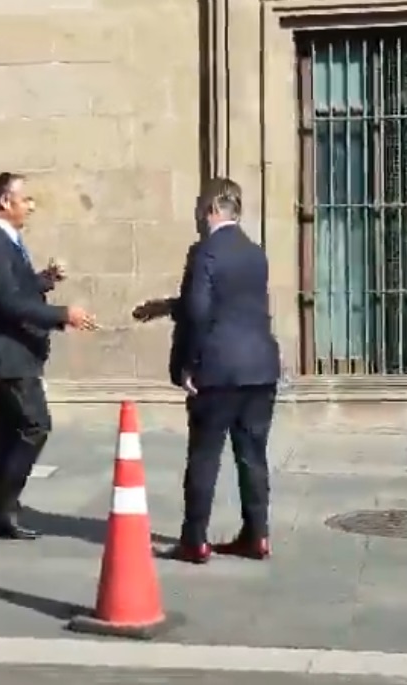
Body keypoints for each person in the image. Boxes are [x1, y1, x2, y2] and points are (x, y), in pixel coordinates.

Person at [133, 177, 281, 564]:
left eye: (200, 208)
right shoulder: (256, 253)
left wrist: (187, 365)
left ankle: (194, 539)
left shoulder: (204, 253)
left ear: (213, 209)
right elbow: (230, 304)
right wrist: (166, 306)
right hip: (260, 368)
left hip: (217, 371)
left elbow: (201, 310)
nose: (198, 216)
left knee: (204, 455)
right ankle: (257, 534)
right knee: (253, 456)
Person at [0, 172, 98, 540]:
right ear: (5, 202)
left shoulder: (6, 242)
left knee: (7, 432)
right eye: (26, 199)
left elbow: (15, 289)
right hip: (9, 353)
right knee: (34, 426)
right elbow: (8, 302)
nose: (32, 206)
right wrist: (63, 315)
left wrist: (44, 279)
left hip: (13, 352)